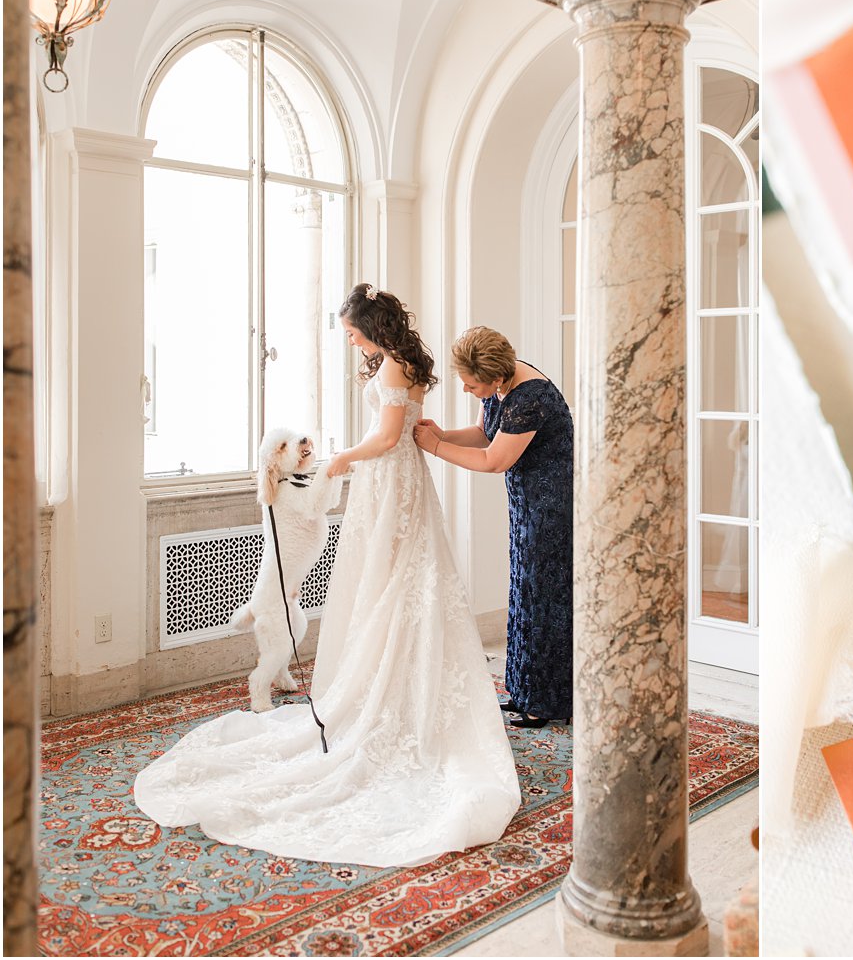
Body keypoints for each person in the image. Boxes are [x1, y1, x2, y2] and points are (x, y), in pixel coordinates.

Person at [134, 284, 520, 867]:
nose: (350, 338)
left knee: (390, 582)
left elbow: (389, 437)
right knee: (404, 581)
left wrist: (344, 458)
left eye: (351, 330)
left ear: (371, 325)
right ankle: (399, 683)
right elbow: (406, 427)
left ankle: (387, 696)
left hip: (390, 481)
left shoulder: (394, 365)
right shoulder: (410, 362)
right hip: (405, 481)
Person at [415, 326, 573, 727]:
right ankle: (523, 692)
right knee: (526, 591)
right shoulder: (504, 384)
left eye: (471, 386)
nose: (467, 390)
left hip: (551, 506)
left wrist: (434, 447)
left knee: (543, 598)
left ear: (497, 378)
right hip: (527, 502)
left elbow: (493, 460)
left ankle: (545, 702)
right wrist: (442, 435)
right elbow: (488, 433)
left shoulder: (530, 397)